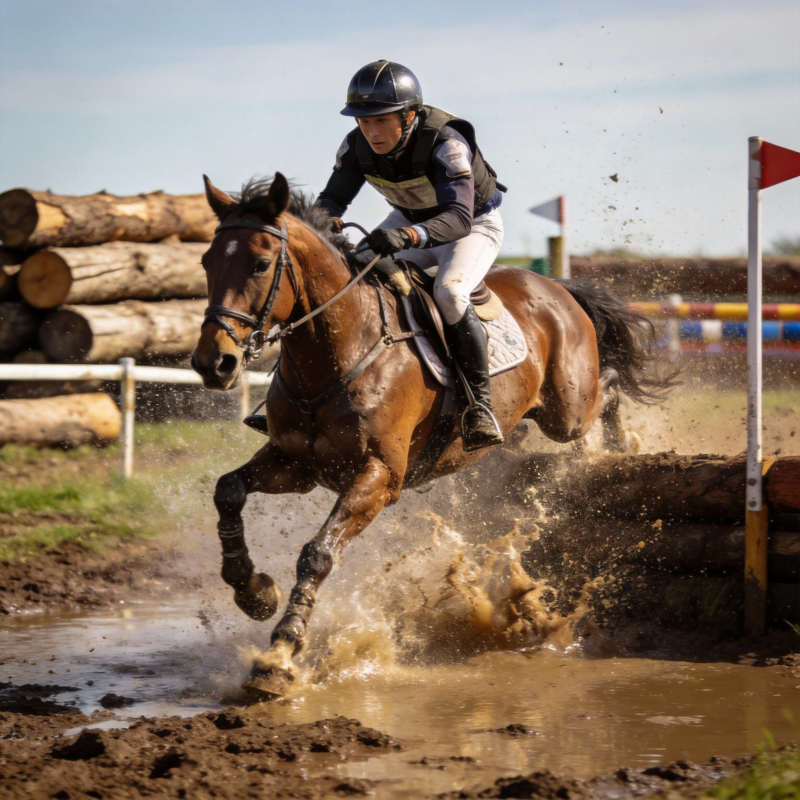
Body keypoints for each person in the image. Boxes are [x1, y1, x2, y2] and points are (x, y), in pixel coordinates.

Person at [315, 60, 507, 452]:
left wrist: (407, 235)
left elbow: (456, 218)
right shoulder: (355, 146)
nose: (371, 131)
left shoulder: (447, 143)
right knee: (349, 278)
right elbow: (332, 198)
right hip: (409, 219)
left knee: (450, 293)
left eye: (381, 121)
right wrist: (324, 222)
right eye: (363, 122)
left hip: (471, 226)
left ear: (411, 114)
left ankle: (479, 406)